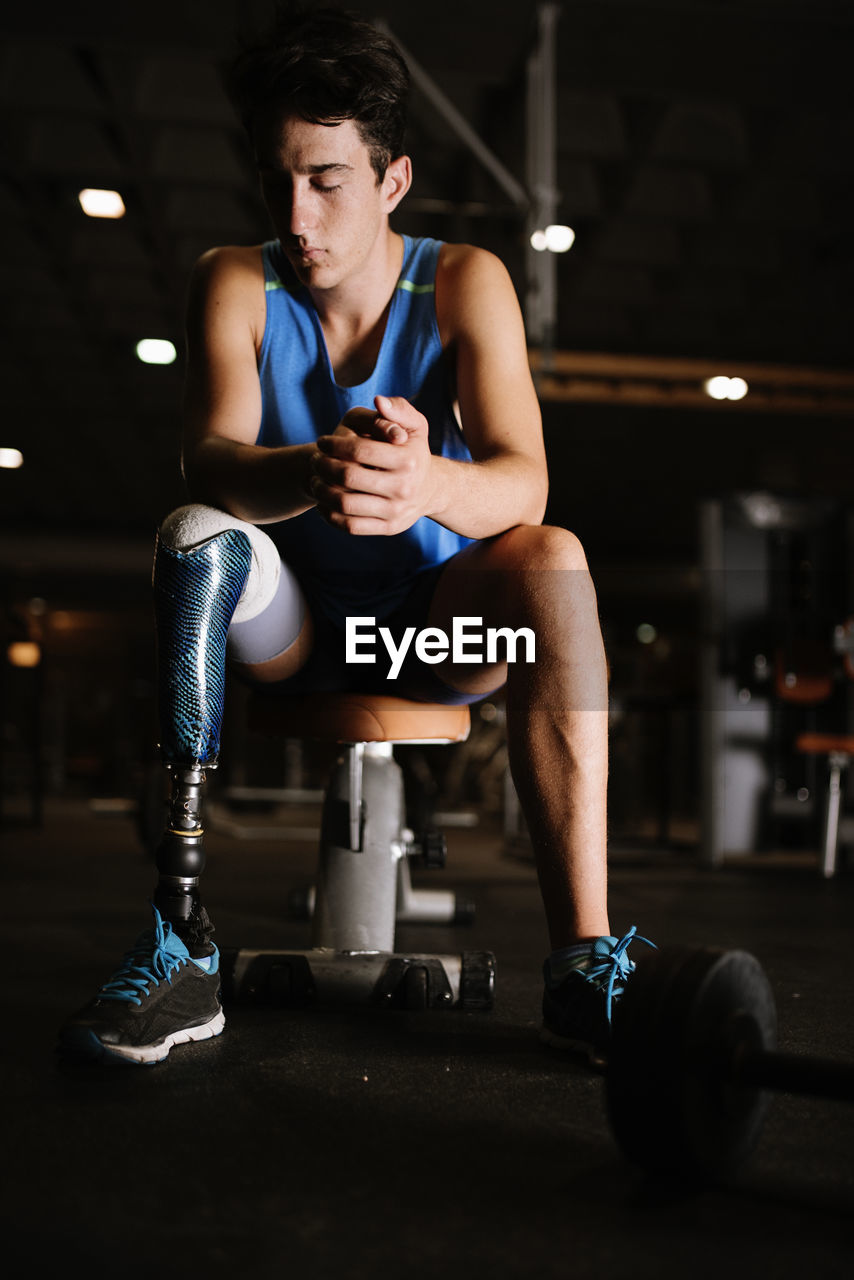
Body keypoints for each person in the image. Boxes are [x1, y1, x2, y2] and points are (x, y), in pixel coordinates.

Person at [59, 3, 653, 1067]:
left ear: (391, 181)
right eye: (277, 177)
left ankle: (581, 960)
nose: (298, 212)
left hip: (430, 637)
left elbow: (525, 479)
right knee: (193, 529)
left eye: (326, 179)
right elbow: (209, 459)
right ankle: (181, 943)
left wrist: (423, 478)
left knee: (553, 552)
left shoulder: (464, 279)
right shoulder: (233, 280)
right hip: (289, 634)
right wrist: (320, 468)